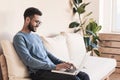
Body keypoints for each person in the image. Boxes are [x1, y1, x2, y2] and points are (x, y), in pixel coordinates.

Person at [13, 7, 90, 80]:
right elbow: (28, 60)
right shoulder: (19, 37)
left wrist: (63, 63)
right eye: (36, 22)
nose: (38, 25)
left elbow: (47, 54)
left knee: (84, 75)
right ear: (27, 20)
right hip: (39, 72)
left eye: (40, 22)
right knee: (74, 79)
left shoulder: (36, 36)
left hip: (51, 69)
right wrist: (54, 66)